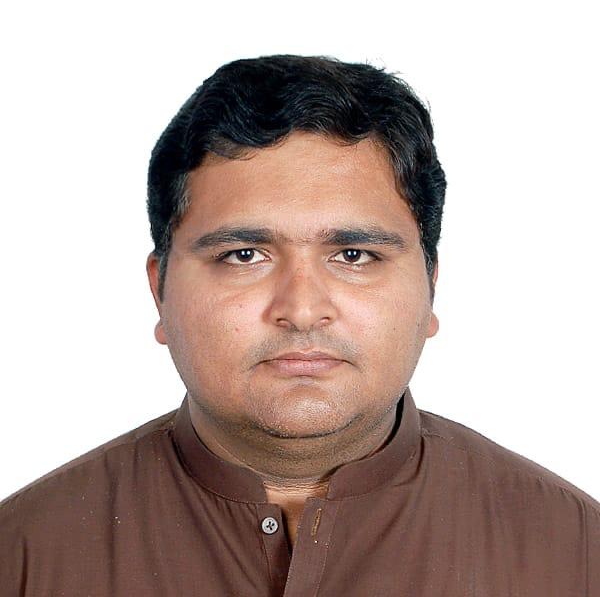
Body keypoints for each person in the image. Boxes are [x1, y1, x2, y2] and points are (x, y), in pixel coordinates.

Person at [1, 54, 598, 596]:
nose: (303, 309)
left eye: (354, 255)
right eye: (244, 255)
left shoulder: (577, 553)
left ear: (430, 286)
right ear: (160, 291)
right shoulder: (21, 556)